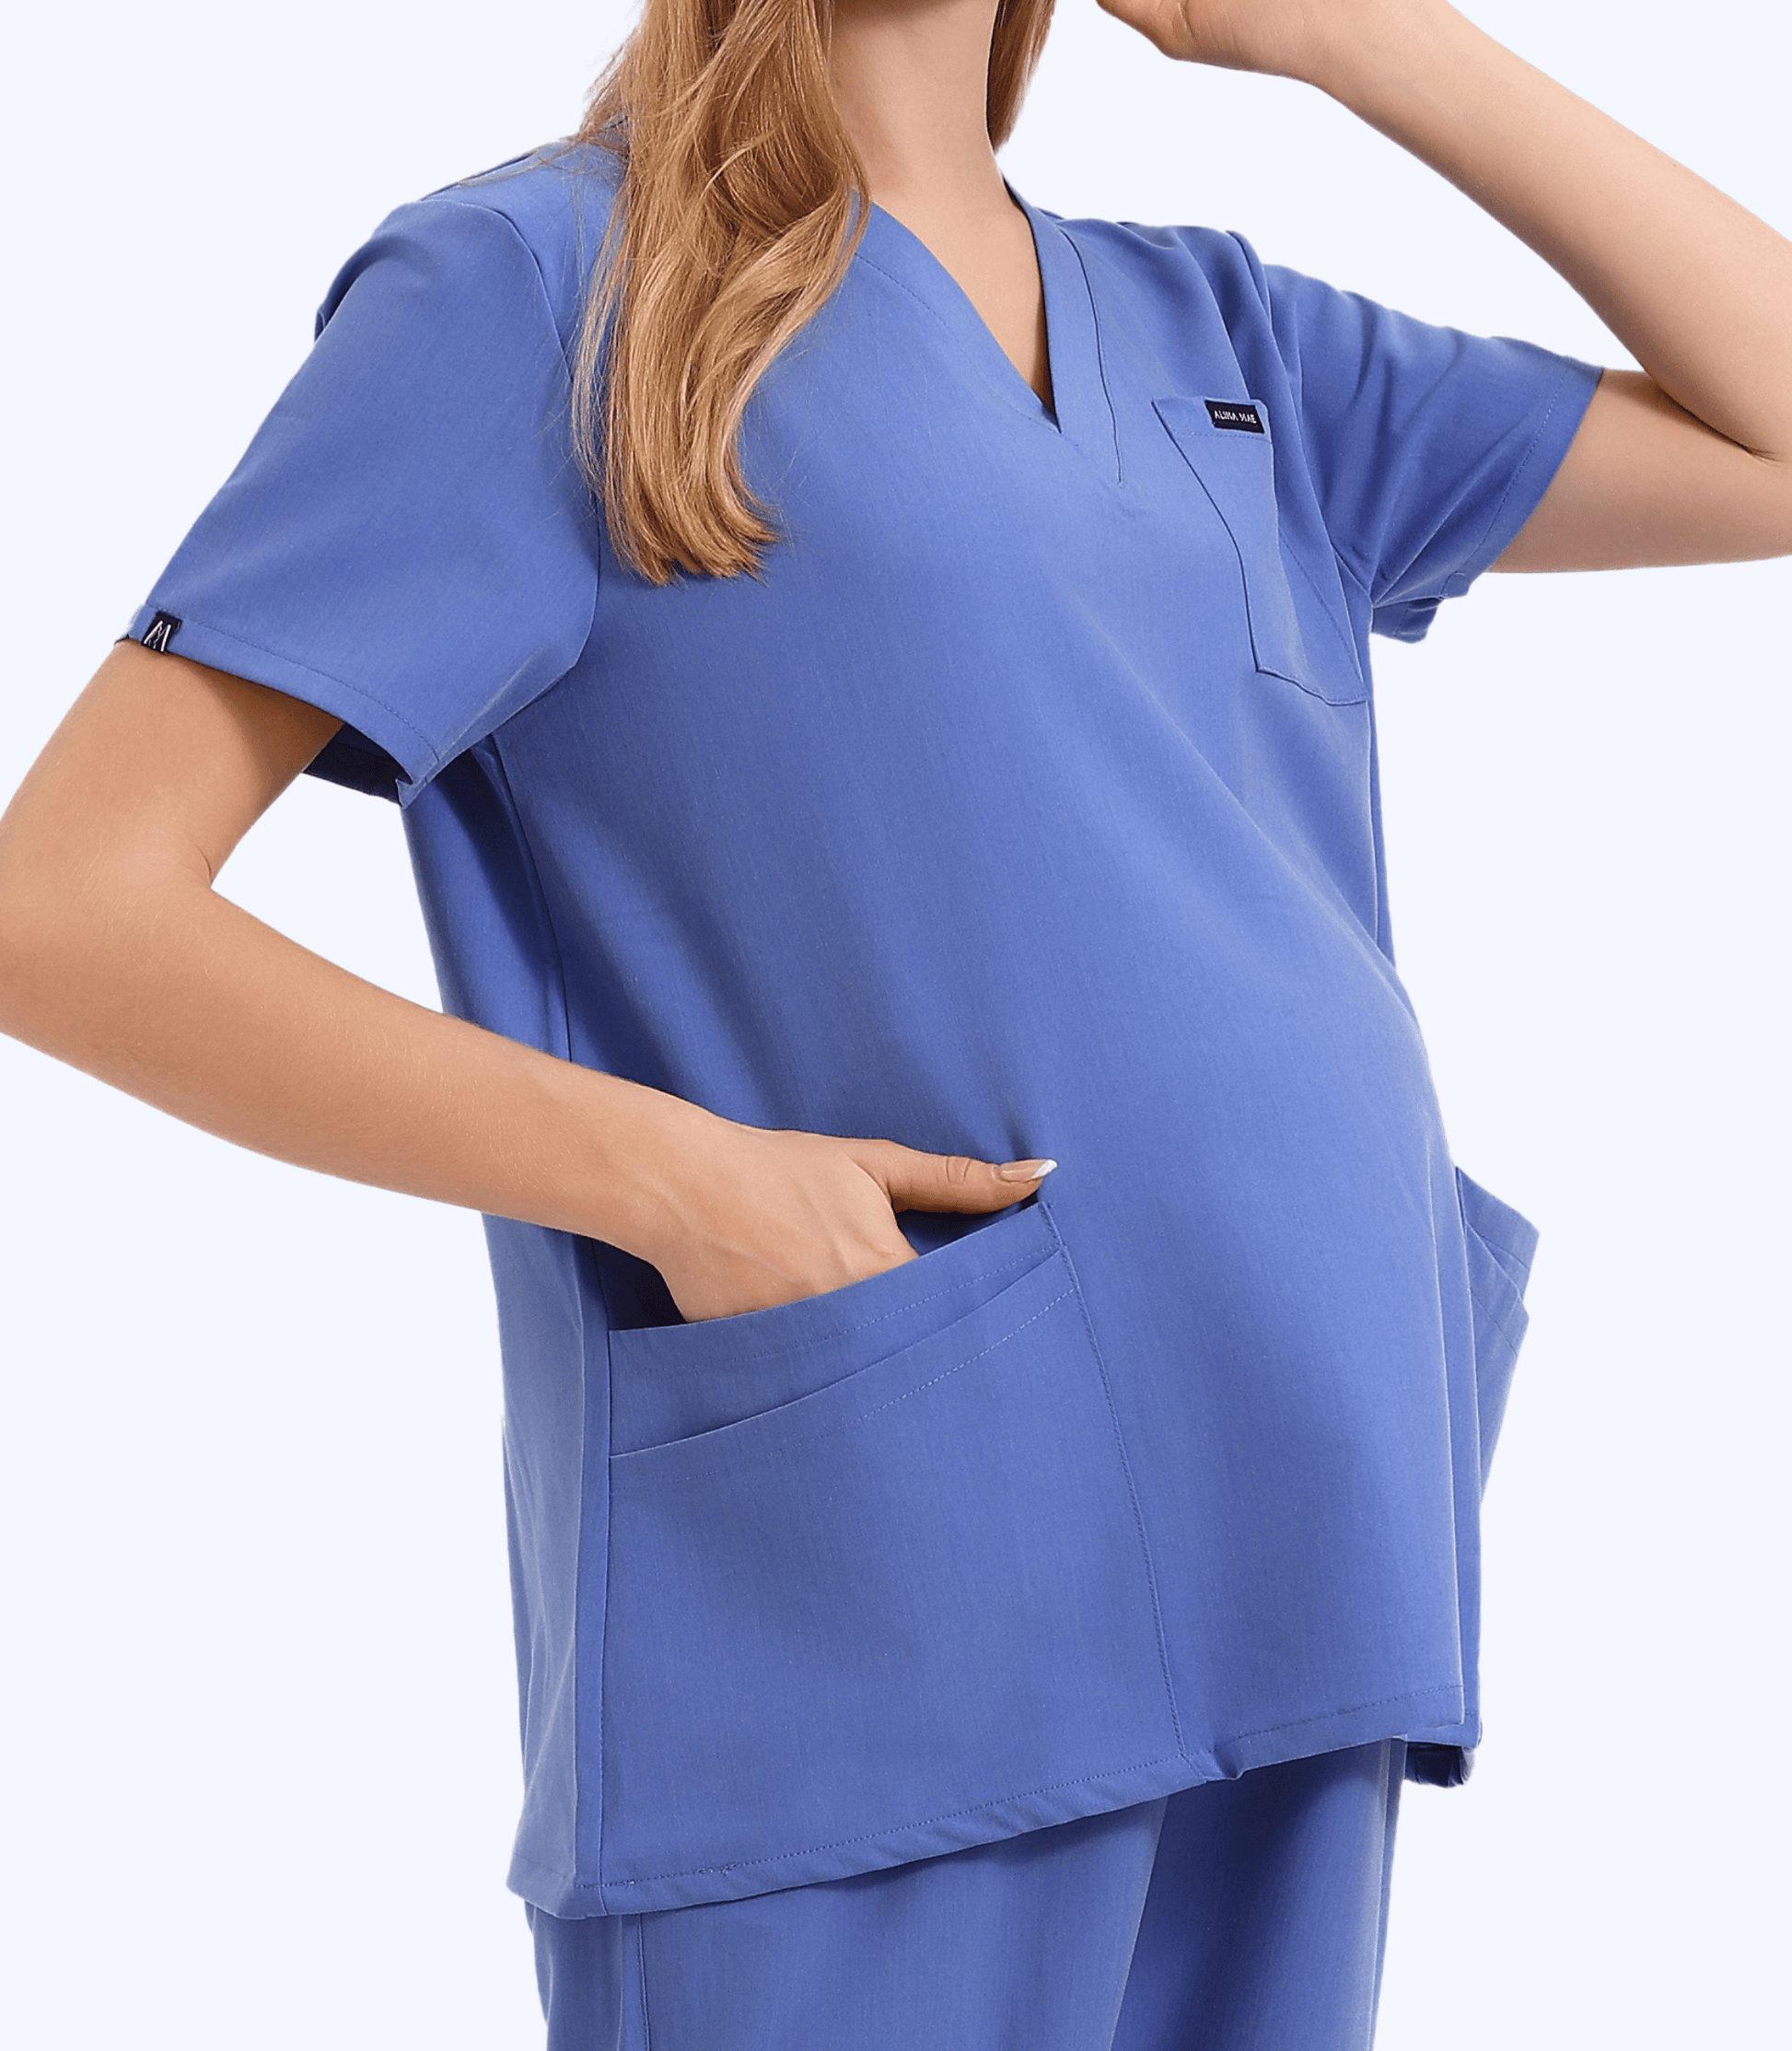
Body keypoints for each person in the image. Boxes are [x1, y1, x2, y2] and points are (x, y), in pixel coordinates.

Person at [1, 0, 1787, 2042]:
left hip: (1307, 1545)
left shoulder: (1226, 338)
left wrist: (1346, 37)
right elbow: (62, 908)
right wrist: (678, 1181)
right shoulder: (539, 292)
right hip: (883, 1578)